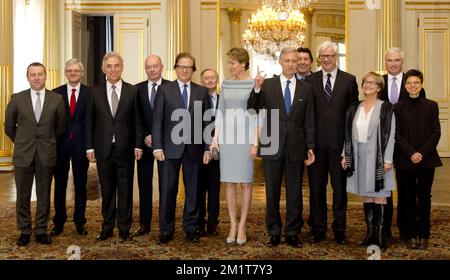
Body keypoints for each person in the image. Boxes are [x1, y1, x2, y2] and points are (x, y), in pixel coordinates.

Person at [248, 47, 316, 247]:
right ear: (280, 62)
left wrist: (310, 146)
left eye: (295, 61)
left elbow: (310, 119)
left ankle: (293, 232)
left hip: (297, 146)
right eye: (287, 60)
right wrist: (257, 88)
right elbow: (253, 108)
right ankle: (274, 232)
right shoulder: (267, 85)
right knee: (272, 192)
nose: (291, 64)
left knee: (295, 192)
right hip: (271, 145)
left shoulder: (306, 88)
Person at [152, 52, 212, 244]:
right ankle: (166, 229)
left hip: (194, 149)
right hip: (169, 149)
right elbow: (158, 119)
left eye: (189, 67)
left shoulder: (201, 91)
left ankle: (191, 228)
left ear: (193, 70)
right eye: (181, 66)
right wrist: (157, 146)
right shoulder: (164, 90)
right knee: (168, 190)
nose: (185, 70)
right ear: (176, 68)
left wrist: (206, 148)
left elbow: (206, 122)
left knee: (193, 191)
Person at [5, 62, 66, 246]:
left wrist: (47, 141)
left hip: (46, 153)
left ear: (46, 76)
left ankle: (41, 230)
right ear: (28, 77)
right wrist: (23, 141)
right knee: (22, 195)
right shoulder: (17, 99)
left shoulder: (56, 99)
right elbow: (9, 126)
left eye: (40, 74)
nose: (37, 77)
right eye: (33, 75)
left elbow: (60, 127)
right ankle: (24, 230)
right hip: (23, 153)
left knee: (44, 193)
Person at [85, 52, 143, 242]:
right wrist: (89, 148)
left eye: (116, 65)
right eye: (109, 66)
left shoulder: (133, 91)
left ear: (122, 67)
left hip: (126, 149)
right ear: (103, 69)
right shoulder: (93, 92)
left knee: (125, 191)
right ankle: (107, 227)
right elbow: (89, 123)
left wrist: (138, 145)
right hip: (103, 149)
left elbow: (138, 122)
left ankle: (125, 229)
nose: (113, 69)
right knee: (107, 190)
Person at [305, 41, 359, 244]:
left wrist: (348, 147)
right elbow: (307, 115)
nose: (327, 59)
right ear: (319, 58)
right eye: (323, 56)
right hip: (316, 148)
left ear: (336, 58)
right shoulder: (309, 81)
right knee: (316, 190)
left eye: (331, 56)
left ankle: (339, 230)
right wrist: (308, 146)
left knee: (339, 191)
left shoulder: (349, 80)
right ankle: (318, 229)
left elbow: (353, 115)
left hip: (339, 148)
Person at [342, 72, 395, 249]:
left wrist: (388, 159)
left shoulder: (386, 108)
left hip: (379, 157)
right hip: (359, 155)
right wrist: (345, 154)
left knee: (379, 196)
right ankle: (369, 233)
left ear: (379, 87)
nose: (368, 85)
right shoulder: (354, 107)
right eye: (365, 82)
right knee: (367, 195)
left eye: (373, 83)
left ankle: (380, 235)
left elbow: (392, 135)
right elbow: (348, 133)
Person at [210, 47, 258, 245]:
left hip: (246, 138)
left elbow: (257, 114)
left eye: (232, 63)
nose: (229, 66)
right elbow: (220, 112)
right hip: (228, 138)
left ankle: (243, 225)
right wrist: (215, 139)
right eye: (228, 62)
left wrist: (255, 142)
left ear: (243, 63)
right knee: (229, 182)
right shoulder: (226, 84)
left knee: (246, 182)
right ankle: (232, 224)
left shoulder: (254, 84)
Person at [379, 47, 426, 240]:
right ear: (385, 62)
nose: (393, 64)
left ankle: (406, 228)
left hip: (407, 146)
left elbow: (421, 118)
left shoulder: (414, 83)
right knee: (386, 188)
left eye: (397, 60)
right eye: (389, 60)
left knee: (407, 190)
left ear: (402, 61)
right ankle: (385, 229)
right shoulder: (378, 82)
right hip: (384, 144)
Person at [394, 69, 442, 250]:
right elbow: (397, 133)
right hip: (405, 160)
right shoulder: (398, 107)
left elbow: (435, 132)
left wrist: (421, 153)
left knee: (424, 197)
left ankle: (424, 234)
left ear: (421, 85)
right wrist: (411, 153)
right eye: (409, 83)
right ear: (405, 86)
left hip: (427, 160)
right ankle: (410, 234)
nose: (413, 85)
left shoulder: (431, 105)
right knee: (406, 198)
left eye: (416, 82)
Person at [50, 59, 91, 237]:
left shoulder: (90, 94)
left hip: (82, 145)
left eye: (76, 70)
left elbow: (92, 121)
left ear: (82, 73)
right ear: (65, 73)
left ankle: (79, 222)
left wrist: (91, 146)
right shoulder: (55, 93)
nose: (73, 73)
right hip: (60, 145)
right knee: (59, 184)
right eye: (69, 70)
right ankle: (58, 222)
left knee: (81, 185)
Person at [134, 55, 170, 237]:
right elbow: (136, 118)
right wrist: (145, 137)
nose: (152, 69)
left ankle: (165, 225)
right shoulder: (137, 89)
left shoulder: (171, 87)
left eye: (155, 66)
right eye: (148, 67)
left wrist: (157, 138)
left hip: (164, 145)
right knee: (144, 185)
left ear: (161, 67)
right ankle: (144, 224)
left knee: (166, 185)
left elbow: (172, 119)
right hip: (144, 145)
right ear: (145, 68)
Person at [198, 68, 221, 236]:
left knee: (214, 187)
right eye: (207, 78)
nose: (210, 80)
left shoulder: (223, 100)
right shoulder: (196, 99)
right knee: (198, 187)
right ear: (202, 81)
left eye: (213, 78)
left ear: (217, 80)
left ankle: (213, 222)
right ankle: (198, 221)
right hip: (198, 149)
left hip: (219, 150)